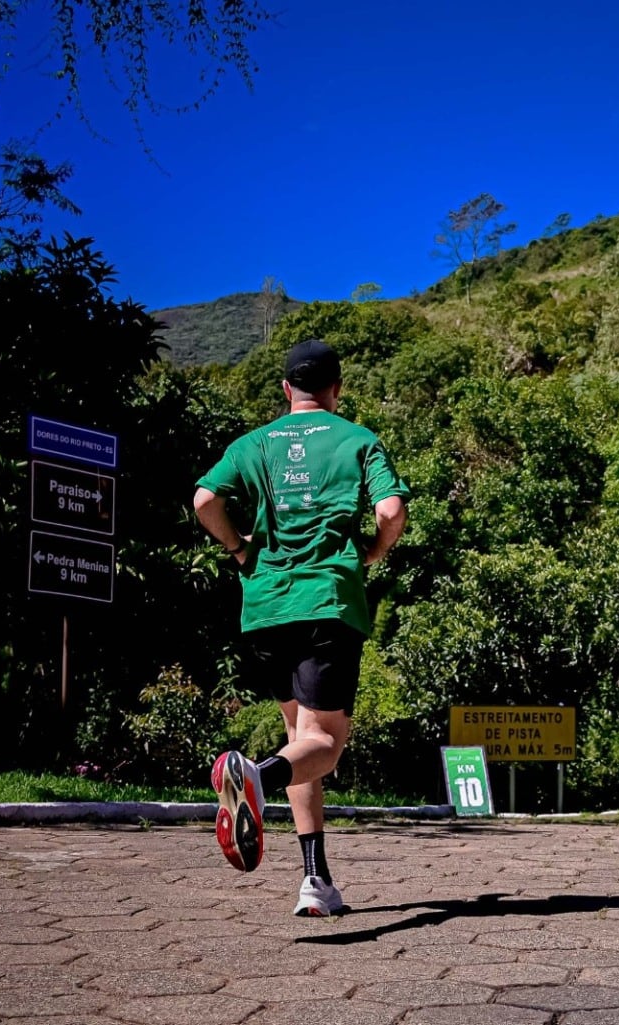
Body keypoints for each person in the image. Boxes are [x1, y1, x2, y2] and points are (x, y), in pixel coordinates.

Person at [192, 338, 409, 916]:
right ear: (335, 390)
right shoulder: (358, 440)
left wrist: (239, 550)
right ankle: (254, 777)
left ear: (286, 389)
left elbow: (204, 499)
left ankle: (316, 881)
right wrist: (372, 554)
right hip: (325, 604)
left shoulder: (253, 444)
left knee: (301, 738)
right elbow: (390, 513)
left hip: (265, 606)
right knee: (326, 745)